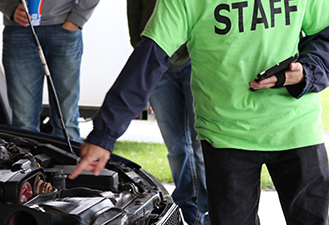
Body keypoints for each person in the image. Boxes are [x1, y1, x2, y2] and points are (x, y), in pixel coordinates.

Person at [69, 0, 329, 224]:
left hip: (296, 129)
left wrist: (307, 71)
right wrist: (104, 135)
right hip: (226, 136)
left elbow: (325, 36)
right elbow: (148, 60)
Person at [126, 0, 208, 224]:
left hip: (197, 59)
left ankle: (207, 212)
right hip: (159, 63)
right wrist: (141, 45)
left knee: (203, 143)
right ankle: (184, 210)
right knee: (176, 146)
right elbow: (135, 8)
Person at [0, 0, 99, 142]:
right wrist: (9, 7)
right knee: (23, 122)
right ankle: (27, 163)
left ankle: (70, 162)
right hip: (19, 29)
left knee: (66, 121)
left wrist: (77, 18)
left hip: (64, 27)